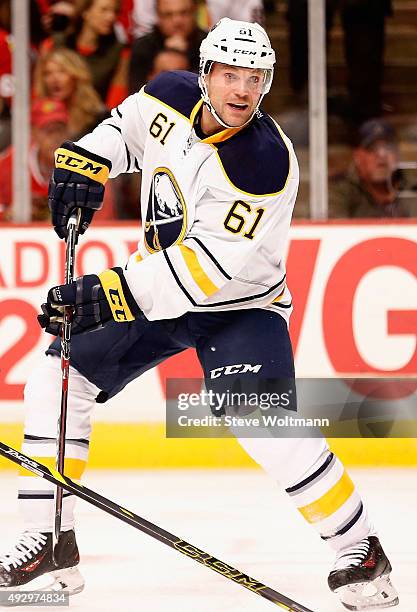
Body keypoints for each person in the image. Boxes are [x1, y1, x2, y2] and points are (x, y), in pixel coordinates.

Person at [0, 18, 399, 611]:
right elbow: (126, 130)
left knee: (260, 420)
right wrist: (87, 161)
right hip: (155, 287)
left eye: (256, 79)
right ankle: (50, 541)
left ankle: (360, 547)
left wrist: (103, 294)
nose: (242, 91)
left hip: (239, 305)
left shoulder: (262, 163)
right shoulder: (167, 93)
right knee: (59, 376)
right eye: (232, 75)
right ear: (206, 72)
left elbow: (201, 273)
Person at [43, 0, 129, 108]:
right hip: (54, 113)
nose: (111, 17)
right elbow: (39, 91)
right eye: (104, 10)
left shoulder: (119, 53)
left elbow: (116, 102)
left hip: (96, 118)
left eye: (115, 12)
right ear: (86, 12)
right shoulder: (55, 44)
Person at [329, 118, 410, 218]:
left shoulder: (412, 186)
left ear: (398, 154)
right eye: (372, 148)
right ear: (357, 157)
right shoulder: (340, 190)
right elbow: (334, 229)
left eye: (389, 148)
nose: (382, 155)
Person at [128, 0, 206, 94]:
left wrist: (183, 54)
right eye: (168, 15)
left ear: (194, 12)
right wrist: (169, 52)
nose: (177, 21)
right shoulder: (143, 47)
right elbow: (136, 94)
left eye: (184, 13)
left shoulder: (209, 44)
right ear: (158, 17)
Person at [33, 48, 107, 138]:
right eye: (48, 73)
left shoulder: (99, 117)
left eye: (62, 71)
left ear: (76, 75)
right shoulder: (40, 115)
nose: (54, 79)